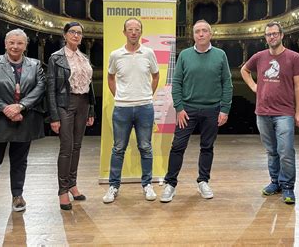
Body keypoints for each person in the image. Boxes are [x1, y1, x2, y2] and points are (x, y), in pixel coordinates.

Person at [0, 29, 45, 222]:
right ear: (5, 44)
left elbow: (40, 88)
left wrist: (20, 107)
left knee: (20, 162)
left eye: (19, 43)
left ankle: (17, 196)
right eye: (11, 42)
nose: (15, 46)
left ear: (25, 45)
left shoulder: (35, 65)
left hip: (23, 120)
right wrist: (6, 109)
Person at [160, 19, 233, 203]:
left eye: (204, 31)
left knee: (207, 147)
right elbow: (176, 83)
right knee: (178, 147)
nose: (201, 34)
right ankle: (170, 184)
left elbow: (227, 84)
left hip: (213, 110)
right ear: (193, 35)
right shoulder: (184, 55)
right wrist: (179, 108)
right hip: (188, 110)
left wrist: (224, 109)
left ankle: (203, 181)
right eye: (197, 31)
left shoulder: (220, 55)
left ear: (210, 34)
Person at [240, 21, 299, 205]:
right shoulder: (259, 56)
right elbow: (244, 70)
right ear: (265, 37)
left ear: (282, 35)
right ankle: (275, 182)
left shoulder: (294, 57)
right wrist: (254, 86)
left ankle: (288, 187)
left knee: (285, 151)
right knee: (271, 151)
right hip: (262, 111)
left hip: (284, 112)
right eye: (269, 34)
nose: (272, 37)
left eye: (275, 33)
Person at [103, 18, 160, 203]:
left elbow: (156, 75)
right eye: (130, 29)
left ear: (141, 32)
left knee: (145, 147)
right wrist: (118, 95)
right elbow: (110, 77)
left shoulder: (149, 53)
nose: (133, 32)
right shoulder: (115, 55)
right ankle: (113, 186)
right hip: (122, 108)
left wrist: (147, 95)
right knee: (118, 148)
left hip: (145, 107)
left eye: (137, 29)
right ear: (124, 32)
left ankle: (147, 185)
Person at [47, 22, 95, 211]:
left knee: (77, 146)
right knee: (66, 148)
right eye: (72, 32)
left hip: (83, 103)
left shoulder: (84, 57)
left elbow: (89, 85)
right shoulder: (56, 58)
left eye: (79, 33)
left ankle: (73, 184)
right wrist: (54, 116)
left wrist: (91, 109)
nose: (76, 35)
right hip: (65, 104)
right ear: (65, 35)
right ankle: (62, 191)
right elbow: (50, 88)